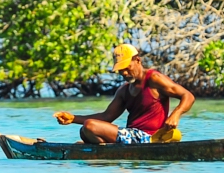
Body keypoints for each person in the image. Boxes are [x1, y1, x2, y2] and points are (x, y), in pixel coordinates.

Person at [53, 44, 195, 144]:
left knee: (89, 126)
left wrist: (175, 114)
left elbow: (188, 96)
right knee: (85, 131)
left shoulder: (154, 79)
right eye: (121, 71)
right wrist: (73, 118)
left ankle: (107, 148)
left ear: (137, 60)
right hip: (132, 135)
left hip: (151, 138)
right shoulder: (124, 90)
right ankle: (110, 150)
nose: (124, 73)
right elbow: (106, 117)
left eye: (127, 68)